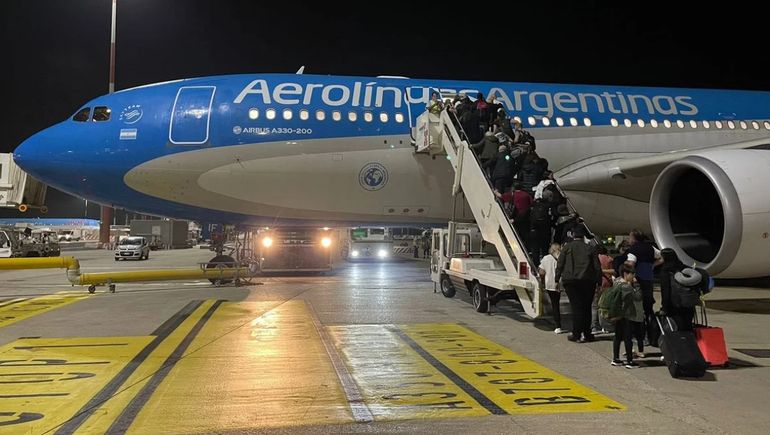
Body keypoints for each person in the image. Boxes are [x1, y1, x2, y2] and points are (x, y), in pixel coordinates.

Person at [556, 225, 601, 343]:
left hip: (570, 281)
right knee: (586, 307)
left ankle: (576, 333)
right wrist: (599, 281)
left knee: (576, 307)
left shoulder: (567, 248)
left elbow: (560, 264)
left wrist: (557, 279)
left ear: (573, 235)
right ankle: (587, 333)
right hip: (588, 281)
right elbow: (597, 267)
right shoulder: (590, 248)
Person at [625, 229, 663, 342]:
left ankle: (641, 335)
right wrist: (653, 265)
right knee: (648, 308)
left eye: (630, 237)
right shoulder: (650, 247)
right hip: (649, 280)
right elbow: (662, 257)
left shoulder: (633, 250)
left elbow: (631, 264)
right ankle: (652, 334)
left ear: (634, 238)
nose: (629, 239)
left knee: (638, 309)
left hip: (638, 281)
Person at [610, 264, 645, 368]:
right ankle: (630, 361)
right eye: (632, 274)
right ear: (625, 274)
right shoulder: (627, 287)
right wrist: (637, 285)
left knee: (617, 337)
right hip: (626, 315)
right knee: (627, 338)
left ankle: (616, 359)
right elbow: (638, 297)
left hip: (617, 315)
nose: (634, 276)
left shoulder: (616, 282)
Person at [659, 248, 696, 331]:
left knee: (678, 326)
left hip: (675, 303)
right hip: (687, 301)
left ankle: (682, 341)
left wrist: (665, 307)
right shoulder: (684, 268)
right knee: (688, 324)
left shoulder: (666, 271)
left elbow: (666, 291)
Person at [539, 243, 565, 334]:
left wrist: (542, 282)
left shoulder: (546, 258)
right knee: (556, 303)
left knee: (555, 305)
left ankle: (558, 326)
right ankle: (559, 324)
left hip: (550, 284)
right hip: (560, 284)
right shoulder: (562, 258)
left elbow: (541, 272)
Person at [592, 245, 616, 335]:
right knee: (605, 306)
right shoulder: (609, 259)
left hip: (595, 283)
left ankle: (594, 326)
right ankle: (606, 326)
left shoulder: (593, 258)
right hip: (607, 284)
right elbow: (614, 270)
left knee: (595, 306)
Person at [528, 190, 554, 263]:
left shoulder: (535, 203)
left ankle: (535, 266)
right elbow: (553, 217)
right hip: (545, 231)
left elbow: (527, 213)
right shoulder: (550, 205)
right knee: (544, 250)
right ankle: (544, 266)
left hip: (534, 230)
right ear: (550, 197)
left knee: (535, 250)